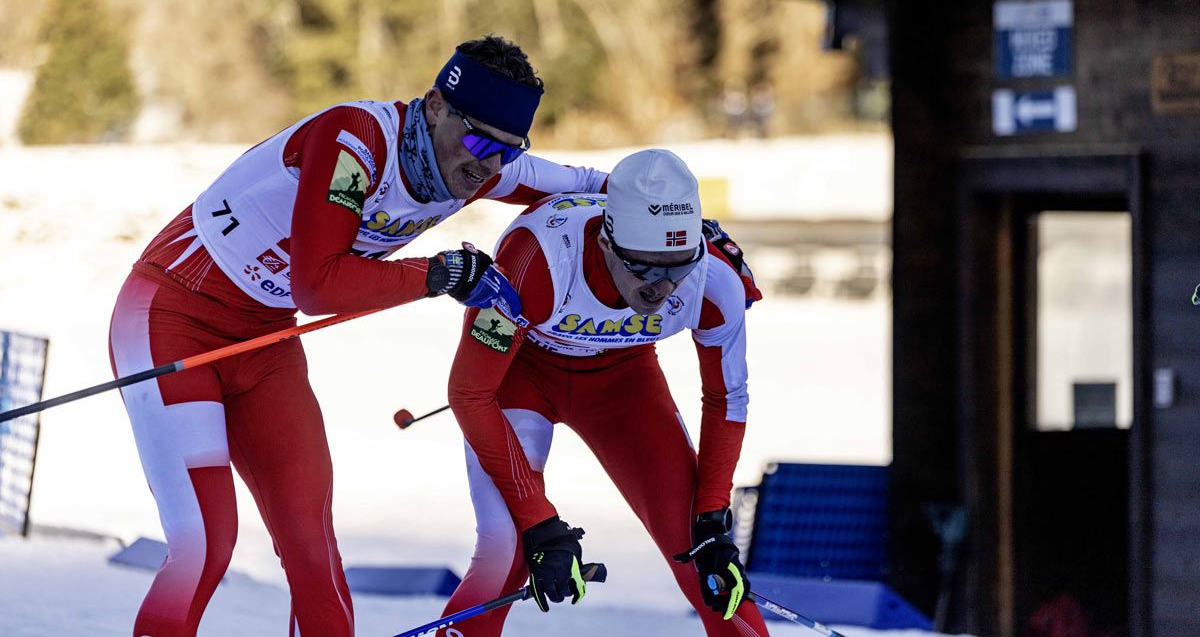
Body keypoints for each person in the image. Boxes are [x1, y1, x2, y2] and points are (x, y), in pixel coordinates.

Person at [107, 35, 609, 637]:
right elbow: (317, 284)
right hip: (172, 316)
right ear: (435, 106)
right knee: (205, 542)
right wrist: (438, 273)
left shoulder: (480, 164)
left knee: (312, 549)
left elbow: (589, 182)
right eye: (477, 142)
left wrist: (680, 217)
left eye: (508, 151)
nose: (487, 165)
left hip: (263, 340)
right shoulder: (356, 140)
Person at [440, 148, 770, 636]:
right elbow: (469, 393)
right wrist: (539, 520)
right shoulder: (539, 258)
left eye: (677, 268)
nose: (661, 288)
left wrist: (713, 516)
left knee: (702, 559)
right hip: (522, 373)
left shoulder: (714, 277)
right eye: (645, 269)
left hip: (622, 382)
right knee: (506, 548)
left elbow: (727, 399)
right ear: (608, 244)